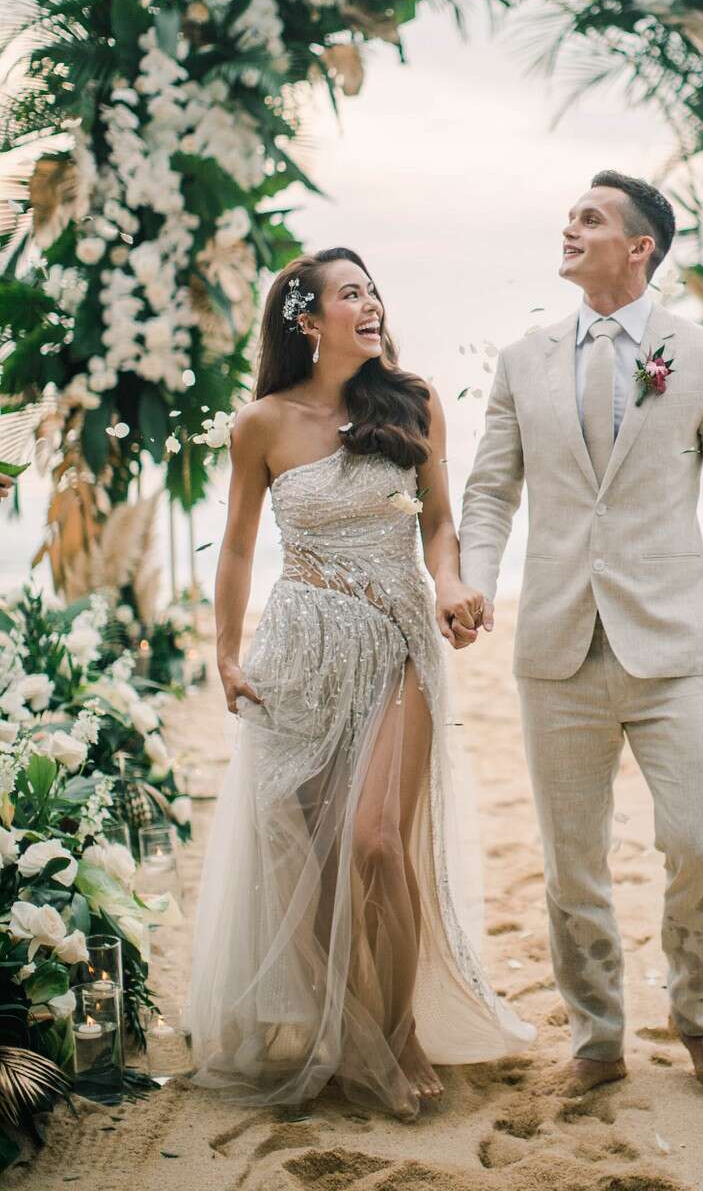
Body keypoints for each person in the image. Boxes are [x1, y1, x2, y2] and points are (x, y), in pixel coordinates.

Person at [459, 171, 703, 1100]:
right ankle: (598, 1034)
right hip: (557, 643)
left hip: (670, 650)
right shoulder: (522, 359)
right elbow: (492, 488)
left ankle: (695, 1016)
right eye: (569, 212)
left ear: (640, 247)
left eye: (590, 218)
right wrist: (471, 578)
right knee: (572, 861)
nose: (568, 227)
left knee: (701, 845)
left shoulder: (700, 356)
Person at [188, 248, 532, 1119]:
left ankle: (400, 1027)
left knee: (378, 839)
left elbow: (441, 523)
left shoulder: (411, 402)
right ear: (307, 320)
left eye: (373, 290)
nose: (371, 304)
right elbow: (235, 546)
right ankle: (349, 1026)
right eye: (351, 295)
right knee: (320, 857)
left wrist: (451, 584)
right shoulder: (260, 424)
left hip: (397, 644)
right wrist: (226, 653)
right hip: (298, 650)